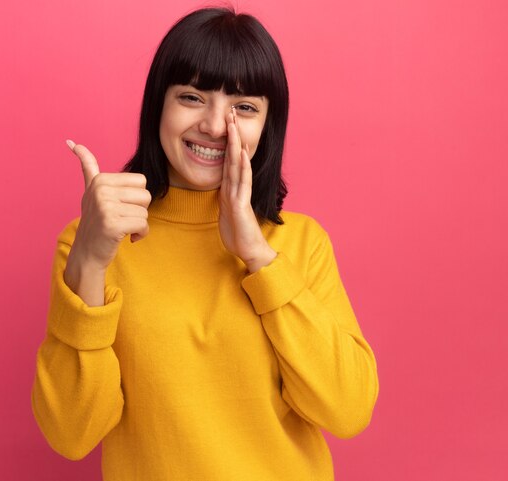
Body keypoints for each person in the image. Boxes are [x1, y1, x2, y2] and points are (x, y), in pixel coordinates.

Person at [31, 7, 379, 480]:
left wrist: (260, 258)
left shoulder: (300, 243)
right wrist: (90, 262)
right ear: (159, 106)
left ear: (267, 126)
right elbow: (71, 435)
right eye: (192, 97)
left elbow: (348, 409)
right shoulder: (91, 244)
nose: (216, 126)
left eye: (245, 107)